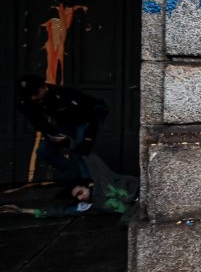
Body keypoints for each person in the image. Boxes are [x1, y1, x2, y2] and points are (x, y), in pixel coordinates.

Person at [16, 74, 108, 184]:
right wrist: (55, 136)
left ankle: (86, 186)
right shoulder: (25, 101)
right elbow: (39, 123)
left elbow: (94, 114)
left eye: (35, 93)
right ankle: (74, 177)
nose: (32, 97)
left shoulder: (64, 94)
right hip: (64, 124)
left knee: (82, 151)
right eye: (28, 95)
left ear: (44, 87)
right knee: (44, 151)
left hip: (84, 120)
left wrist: (88, 138)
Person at [1, 155, 138, 222]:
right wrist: (23, 210)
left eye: (80, 193)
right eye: (77, 197)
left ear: (88, 185)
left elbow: (89, 156)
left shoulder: (103, 178)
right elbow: (61, 211)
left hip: (143, 190)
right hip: (138, 208)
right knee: (126, 223)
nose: (80, 197)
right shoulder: (90, 205)